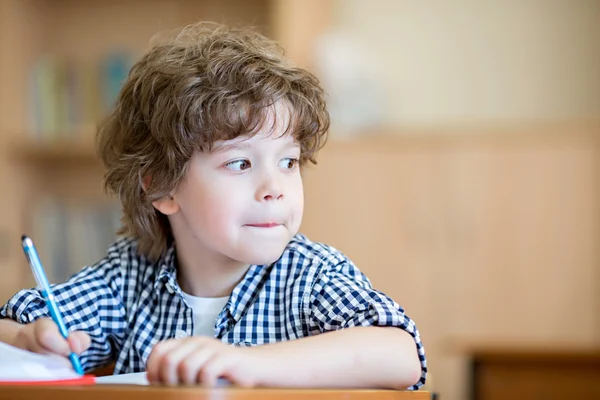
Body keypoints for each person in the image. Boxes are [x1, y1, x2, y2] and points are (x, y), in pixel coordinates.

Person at [0, 22, 426, 390]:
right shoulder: (128, 278)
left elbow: (401, 353)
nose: (274, 187)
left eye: (288, 161)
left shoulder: (310, 274)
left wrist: (249, 363)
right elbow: (10, 327)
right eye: (240, 163)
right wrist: (28, 340)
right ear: (162, 188)